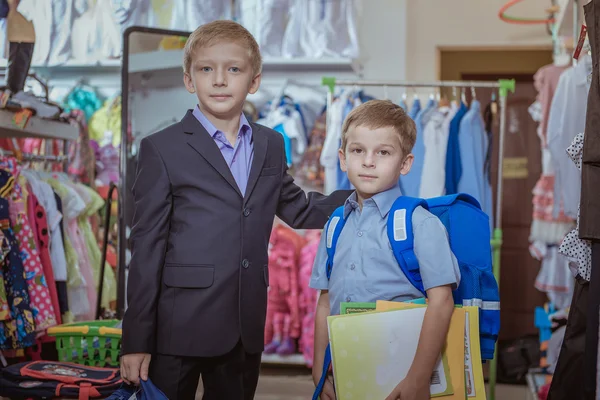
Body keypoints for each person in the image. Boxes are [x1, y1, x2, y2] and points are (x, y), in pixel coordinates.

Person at [119, 20, 351, 400]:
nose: (220, 80)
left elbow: (296, 207)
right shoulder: (162, 148)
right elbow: (145, 247)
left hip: (244, 322)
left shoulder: (271, 144)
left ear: (254, 81)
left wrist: (356, 198)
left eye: (234, 69)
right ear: (189, 80)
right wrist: (136, 339)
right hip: (178, 326)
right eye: (206, 69)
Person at [309, 100, 461, 400]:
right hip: (343, 375)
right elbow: (325, 302)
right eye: (357, 150)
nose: (368, 161)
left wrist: (418, 379)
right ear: (342, 158)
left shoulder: (421, 223)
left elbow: (442, 302)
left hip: (402, 379)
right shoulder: (335, 224)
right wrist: (318, 370)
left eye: (383, 152)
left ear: (405, 163)